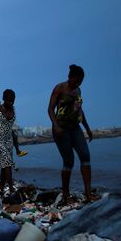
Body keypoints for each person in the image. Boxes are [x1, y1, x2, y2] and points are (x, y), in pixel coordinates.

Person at [48, 64, 97, 203]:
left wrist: (87, 128)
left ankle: (88, 193)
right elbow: (50, 109)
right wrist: (56, 125)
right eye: (77, 80)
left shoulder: (78, 91)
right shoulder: (60, 88)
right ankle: (66, 195)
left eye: (81, 81)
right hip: (61, 129)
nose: (78, 83)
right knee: (69, 161)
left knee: (85, 156)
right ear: (70, 77)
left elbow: (79, 110)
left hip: (75, 128)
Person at [0, 89, 23, 195]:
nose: (11, 102)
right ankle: (11, 188)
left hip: (8, 141)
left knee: (4, 166)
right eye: (9, 100)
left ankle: (1, 187)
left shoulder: (12, 109)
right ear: (4, 99)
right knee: (7, 162)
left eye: (13, 100)